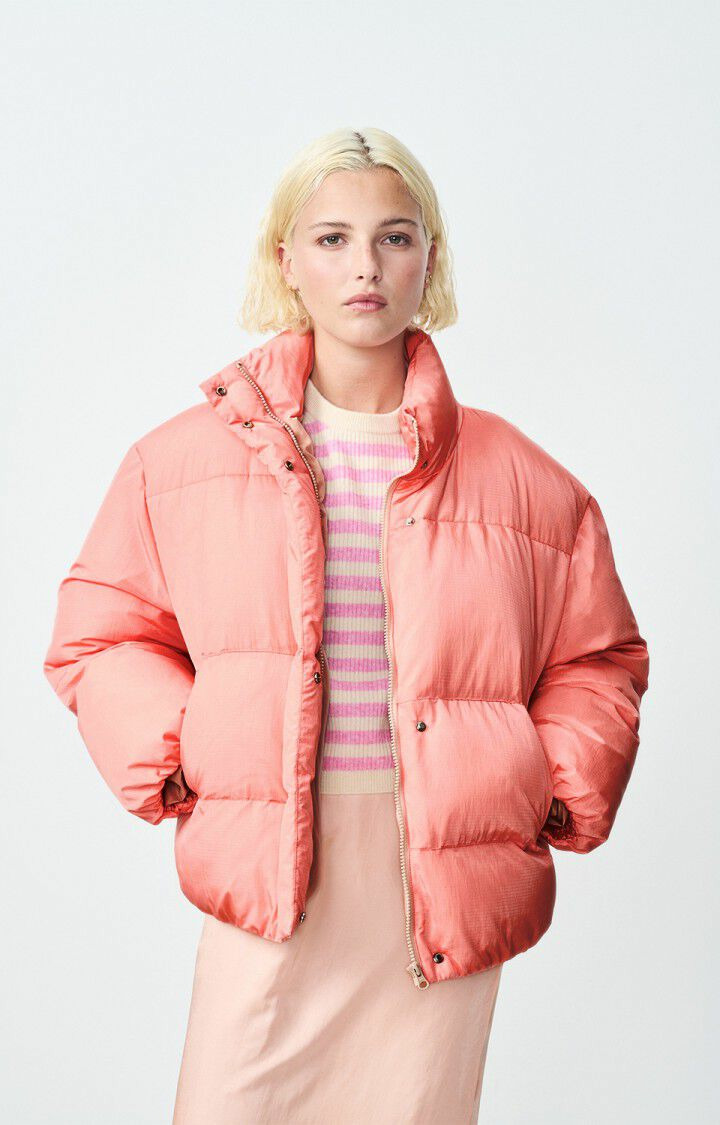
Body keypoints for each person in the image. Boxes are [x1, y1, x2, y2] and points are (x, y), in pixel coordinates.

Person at [43, 126, 650, 1124]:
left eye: (394, 237)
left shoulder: (529, 483)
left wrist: (544, 781)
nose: (365, 265)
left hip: (441, 871)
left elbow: (598, 659)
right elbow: (101, 630)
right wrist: (185, 753)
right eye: (332, 238)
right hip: (273, 858)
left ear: (429, 259)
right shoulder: (180, 462)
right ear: (286, 259)